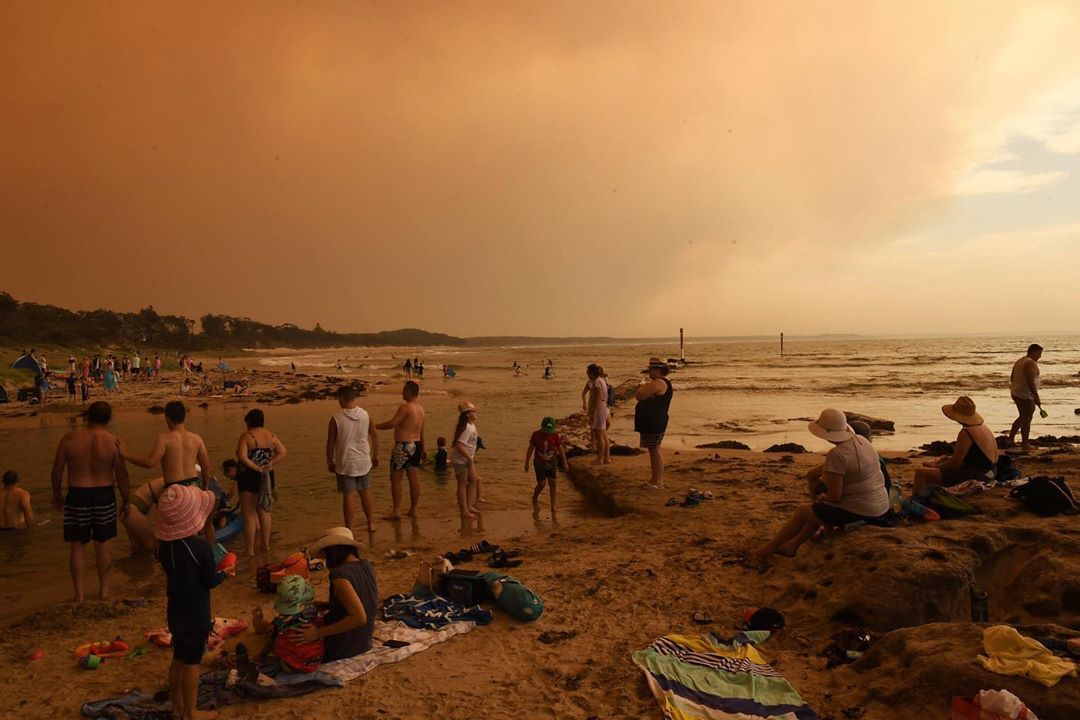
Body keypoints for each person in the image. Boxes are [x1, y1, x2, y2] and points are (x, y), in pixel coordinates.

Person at [752, 409, 891, 565]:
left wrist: (824, 498)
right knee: (817, 511)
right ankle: (792, 546)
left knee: (804, 511)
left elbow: (835, 496)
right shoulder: (861, 440)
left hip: (862, 511)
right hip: (881, 504)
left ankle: (769, 549)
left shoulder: (837, 454)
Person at [155, 484, 232, 720]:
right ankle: (190, 712)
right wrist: (225, 572)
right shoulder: (200, 548)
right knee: (191, 662)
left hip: (175, 607)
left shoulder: (163, 548)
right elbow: (209, 580)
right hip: (196, 609)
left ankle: (176, 705)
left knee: (178, 656)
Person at [50, 401, 130, 601]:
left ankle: (79, 594)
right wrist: (126, 500)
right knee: (102, 545)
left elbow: (57, 470)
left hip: (77, 494)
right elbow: (122, 476)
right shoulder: (113, 442)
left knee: (77, 545)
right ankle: (104, 590)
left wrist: (57, 494)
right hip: (104, 494)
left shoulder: (69, 439)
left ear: (87, 416)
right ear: (109, 419)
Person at [120, 401, 214, 539]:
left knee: (172, 535)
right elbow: (206, 467)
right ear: (184, 417)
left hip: (175, 492)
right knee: (199, 530)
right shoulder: (196, 438)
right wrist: (204, 487)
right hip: (194, 489)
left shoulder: (164, 438)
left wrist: (126, 454)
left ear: (167, 418)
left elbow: (150, 463)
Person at [291, 527, 377, 662]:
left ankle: (263, 625)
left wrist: (317, 633)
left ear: (334, 551)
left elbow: (359, 617)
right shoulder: (366, 565)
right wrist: (328, 605)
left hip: (343, 646)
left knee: (290, 636)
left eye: (326, 555)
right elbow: (363, 599)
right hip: (364, 641)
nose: (326, 560)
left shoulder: (339, 575)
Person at [913, 397, 999, 497]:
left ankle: (916, 501)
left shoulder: (966, 432)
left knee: (921, 473)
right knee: (938, 466)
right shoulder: (984, 428)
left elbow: (956, 463)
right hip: (991, 473)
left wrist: (934, 467)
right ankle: (929, 495)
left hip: (977, 476)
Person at [326, 386, 378, 533]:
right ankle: (371, 524)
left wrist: (329, 460)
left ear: (342, 398)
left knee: (348, 495)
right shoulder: (365, 414)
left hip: (345, 461)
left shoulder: (336, 418)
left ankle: (349, 528)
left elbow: (330, 442)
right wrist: (375, 456)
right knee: (365, 491)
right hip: (363, 460)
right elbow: (374, 435)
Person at [236, 409, 287, 556]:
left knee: (249, 514)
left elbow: (243, 457)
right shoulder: (270, 435)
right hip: (267, 474)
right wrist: (270, 464)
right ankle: (266, 545)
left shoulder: (246, 436)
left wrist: (256, 467)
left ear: (248, 421)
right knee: (265, 511)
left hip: (249, 476)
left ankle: (250, 550)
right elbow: (282, 451)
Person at [375, 381, 426, 520]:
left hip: (403, 446)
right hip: (416, 445)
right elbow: (422, 432)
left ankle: (397, 510)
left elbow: (393, 423)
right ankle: (413, 509)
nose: (402, 393)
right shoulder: (421, 409)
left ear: (409, 392)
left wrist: (374, 427)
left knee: (396, 479)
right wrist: (423, 449)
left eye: (404, 390)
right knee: (414, 479)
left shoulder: (405, 407)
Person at [635, 357, 674, 489]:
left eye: (651, 369)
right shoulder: (662, 382)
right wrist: (646, 391)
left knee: (655, 450)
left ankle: (658, 482)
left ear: (657, 370)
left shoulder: (659, 382)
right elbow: (643, 394)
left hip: (655, 420)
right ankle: (655, 480)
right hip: (654, 420)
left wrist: (644, 389)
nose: (649, 372)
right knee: (653, 449)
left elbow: (640, 395)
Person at [525, 417, 567, 520]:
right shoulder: (536, 435)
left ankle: (553, 505)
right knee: (541, 484)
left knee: (553, 483)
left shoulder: (555, 436)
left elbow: (560, 449)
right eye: (546, 431)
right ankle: (535, 497)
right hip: (539, 463)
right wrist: (526, 462)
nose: (547, 433)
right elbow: (530, 448)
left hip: (552, 463)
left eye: (549, 431)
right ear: (542, 427)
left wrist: (565, 463)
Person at [1009, 344, 1043, 451]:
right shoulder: (1030, 363)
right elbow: (1030, 380)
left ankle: (1010, 440)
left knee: (1022, 417)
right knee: (1027, 418)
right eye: (1039, 353)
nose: (1040, 356)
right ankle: (1025, 444)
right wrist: (1035, 396)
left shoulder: (1019, 361)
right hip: (1026, 395)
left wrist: (1018, 387)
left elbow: (1012, 377)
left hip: (1016, 392)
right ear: (1033, 351)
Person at [450, 401, 481, 518]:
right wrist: (469, 458)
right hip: (461, 459)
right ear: (467, 414)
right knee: (462, 484)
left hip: (468, 458)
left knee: (474, 480)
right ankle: (464, 511)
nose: (476, 412)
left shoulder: (471, 425)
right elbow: (459, 445)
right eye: (473, 411)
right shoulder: (467, 428)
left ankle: (468, 505)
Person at [585, 364, 610, 465]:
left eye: (588, 373)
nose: (587, 375)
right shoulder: (601, 380)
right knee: (603, 434)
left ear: (591, 373)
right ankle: (606, 458)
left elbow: (598, 397)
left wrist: (592, 411)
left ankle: (600, 459)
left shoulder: (597, 381)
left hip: (599, 409)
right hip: (603, 407)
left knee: (599, 435)